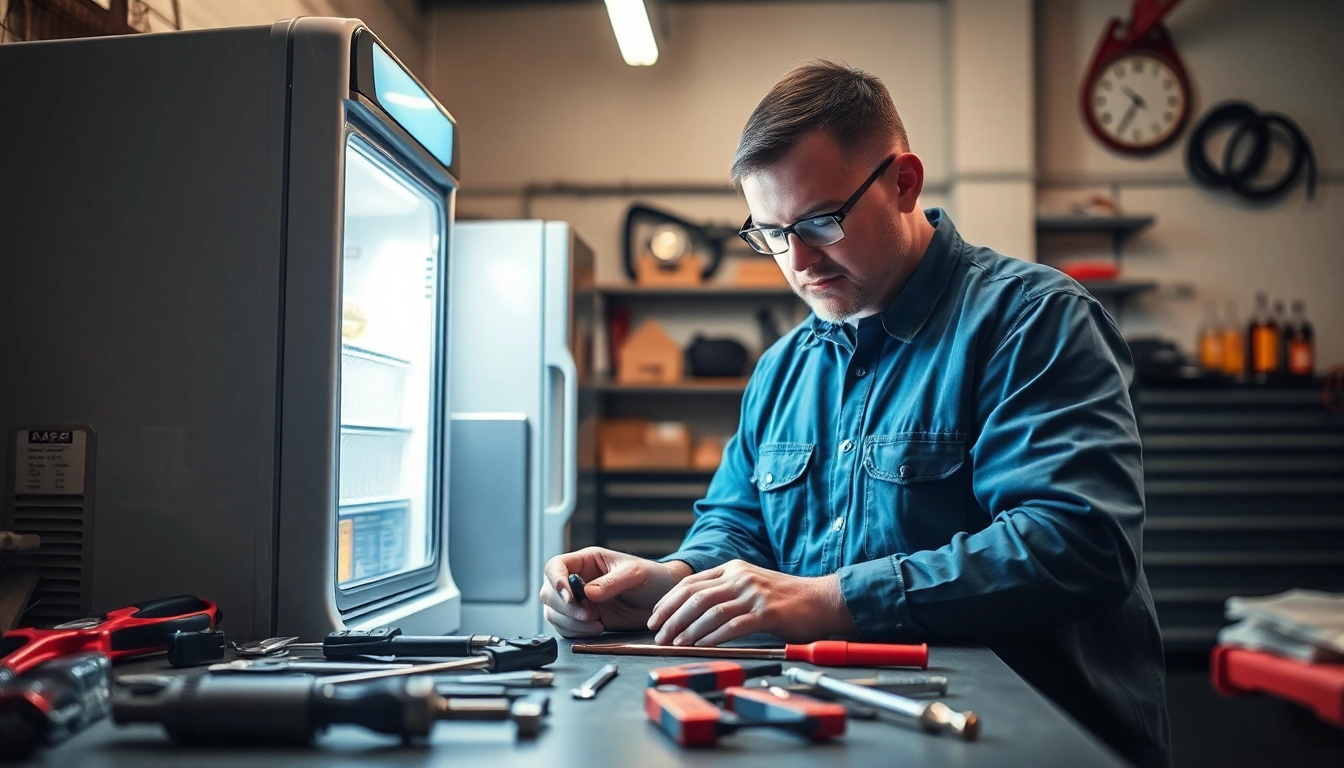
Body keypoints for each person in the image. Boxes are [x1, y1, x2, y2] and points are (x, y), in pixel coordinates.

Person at [540, 60, 1170, 768]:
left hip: (1031, 740)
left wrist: (835, 598)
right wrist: (668, 583)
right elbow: (739, 528)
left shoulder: (1033, 324)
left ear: (904, 183)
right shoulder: (784, 369)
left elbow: (1078, 544)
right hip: (838, 733)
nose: (799, 260)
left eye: (820, 221)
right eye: (772, 232)